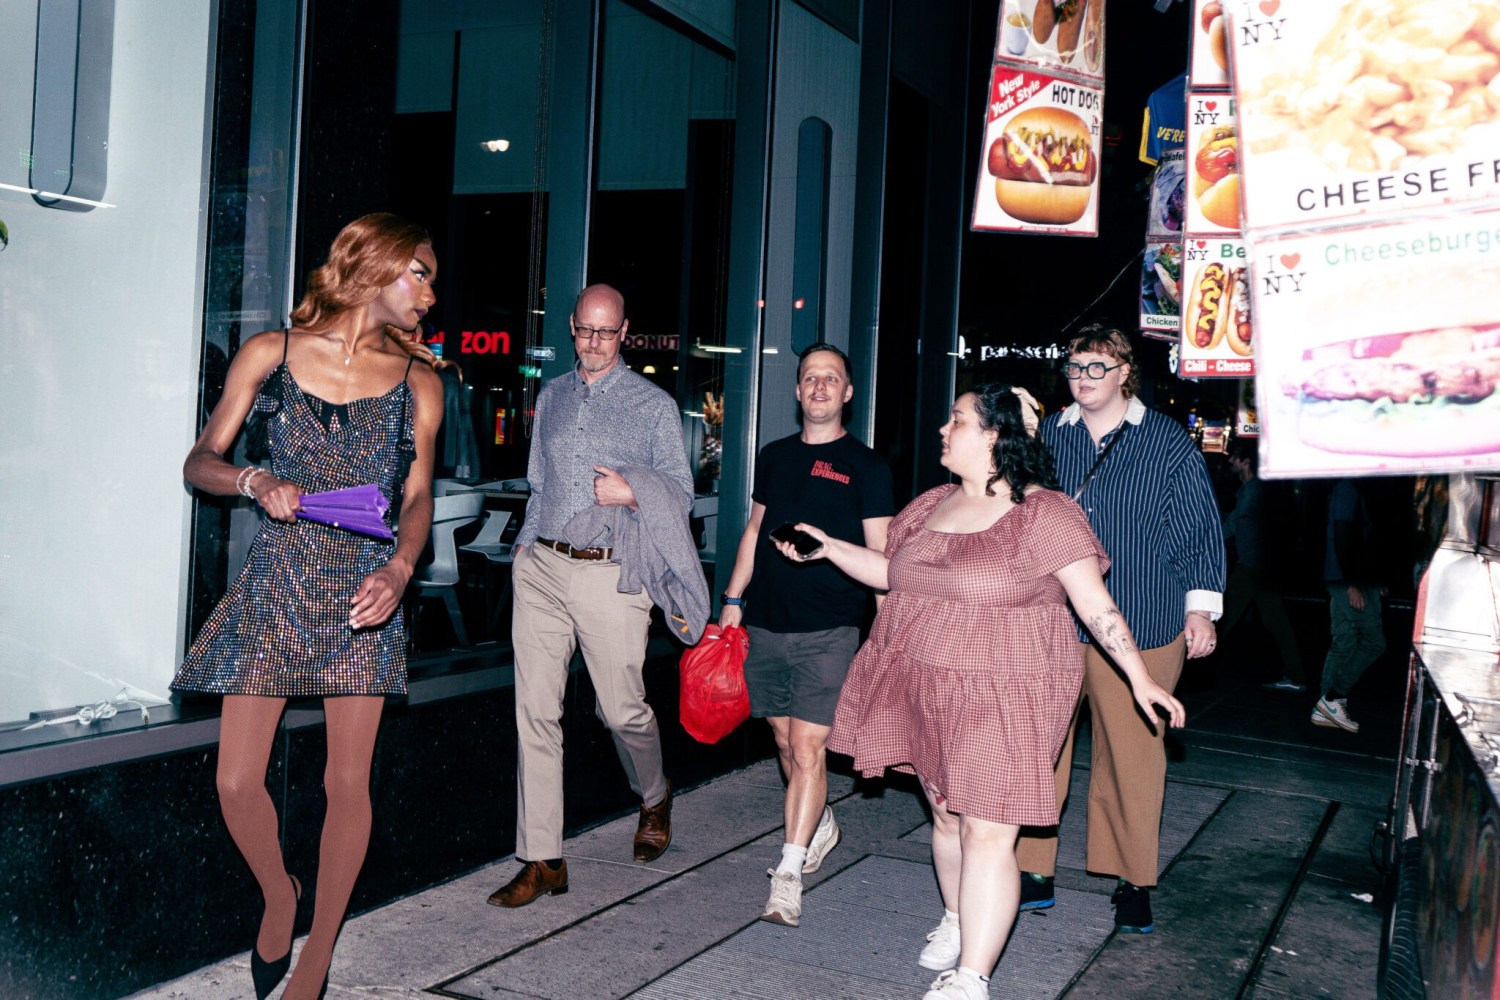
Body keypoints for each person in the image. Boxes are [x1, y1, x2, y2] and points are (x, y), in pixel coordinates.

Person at [784, 384, 1184, 1000]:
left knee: (990, 830)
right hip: (926, 682)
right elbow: (893, 575)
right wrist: (830, 548)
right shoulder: (928, 507)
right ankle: (956, 917)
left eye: (958, 420)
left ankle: (972, 978)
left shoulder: (1045, 514)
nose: (944, 430)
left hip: (1010, 691)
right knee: (946, 816)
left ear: (996, 436)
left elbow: (1095, 605)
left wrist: (1139, 678)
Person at [171, 213, 446, 1000]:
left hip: (365, 587)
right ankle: (280, 892)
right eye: (419, 272)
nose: (429, 291)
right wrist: (254, 481)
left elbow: (420, 493)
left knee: (347, 784)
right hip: (280, 579)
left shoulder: (421, 382)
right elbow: (200, 463)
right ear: (377, 263)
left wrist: (400, 567)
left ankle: (318, 954)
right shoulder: (272, 353)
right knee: (234, 782)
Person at [488, 283, 707, 907]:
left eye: (606, 333)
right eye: (584, 330)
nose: (593, 343)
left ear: (625, 331)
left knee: (621, 710)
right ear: (572, 327)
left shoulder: (652, 405)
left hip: (612, 574)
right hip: (543, 569)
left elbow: (682, 493)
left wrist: (634, 489)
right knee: (535, 712)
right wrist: (525, 546)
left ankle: (655, 793)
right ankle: (542, 858)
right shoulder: (553, 395)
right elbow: (537, 481)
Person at [1014, 326, 1224, 935]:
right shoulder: (1048, 435)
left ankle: (1133, 879)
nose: (1082, 378)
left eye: (1097, 368)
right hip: (1053, 619)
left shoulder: (1165, 440)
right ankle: (1033, 869)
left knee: (1134, 756)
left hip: (1146, 617)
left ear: (1125, 373)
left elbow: (1200, 528)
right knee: (1040, 746)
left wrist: (1200, 610)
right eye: (1075, 367)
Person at [717, 343, 896, 927]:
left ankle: (788, 875)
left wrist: (890, 630)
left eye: (831, 379)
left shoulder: (868, 468)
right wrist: (733, 603)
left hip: (831, 628)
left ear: (848, 393)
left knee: (807, 748)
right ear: (797, 392)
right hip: (766, 621)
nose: (819, 386)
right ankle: (818, 823)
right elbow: (752, 532)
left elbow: (882, 555)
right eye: (809, 378)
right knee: (783, 740)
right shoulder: (773, 456)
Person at [1218, 439, 1305, 691]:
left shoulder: (1254, 490)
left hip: (1253, 568)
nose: (1231, 461)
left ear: (1246, 461)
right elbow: (1235, 524)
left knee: (1223, 618)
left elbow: (1235, 525)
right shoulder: (1249, 489)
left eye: (1235, 457)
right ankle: (1297, 676)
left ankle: (1193, 669)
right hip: (1260, 567)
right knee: (1277, 623)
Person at [1312, 478, 1385, 733]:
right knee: (1374, 641)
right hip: (1345, 578)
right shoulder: (1348, 487)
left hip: (1343, 575)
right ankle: (1333, 698)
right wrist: (1353, 582)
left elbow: (1359, 538)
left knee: (1342, 641)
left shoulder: (1350, 487)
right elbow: (1342, 532)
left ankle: (1326, 706)